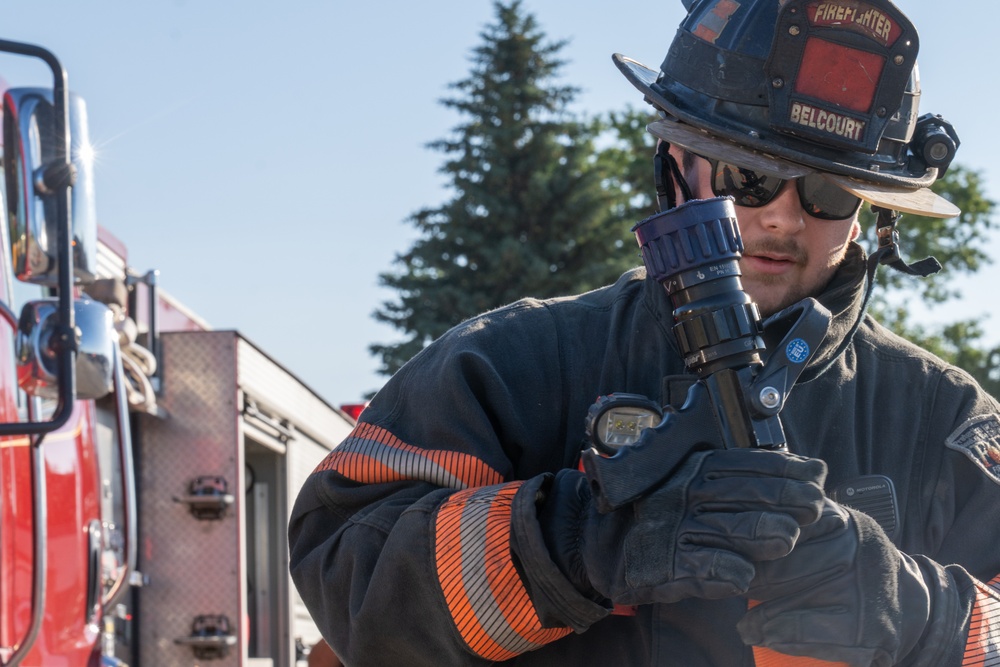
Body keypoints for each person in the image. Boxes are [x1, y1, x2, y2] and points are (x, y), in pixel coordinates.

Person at [290, 0, 1000, 664]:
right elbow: (344, 565)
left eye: (828, 191)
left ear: (870, 213)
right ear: (676, 164)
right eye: (746, 176)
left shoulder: (944, 419)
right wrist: (573, 544)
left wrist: (902, 605)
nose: (783, 218)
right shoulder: (514, 365)